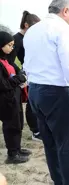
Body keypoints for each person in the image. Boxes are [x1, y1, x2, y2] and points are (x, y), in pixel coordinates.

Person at [23, 0, 69, 184]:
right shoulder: (62, 30)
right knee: (67, 146)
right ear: (65, 11)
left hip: (35, 91)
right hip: (57, 93)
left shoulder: (32, 30)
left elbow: (27, 64)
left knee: (51, 144)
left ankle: (59, 181)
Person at [7, 10, 41, 141]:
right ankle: (35, 131)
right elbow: (8, 61)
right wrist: (21, 73)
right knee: (31, 103)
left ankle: (38, 128)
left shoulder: (29, 38)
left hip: (34, 73)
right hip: (25, 75)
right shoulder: (16, 39)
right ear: (26, 25)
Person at [0, 31, 31, 164]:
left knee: (18, 122)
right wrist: (20, 79)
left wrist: (21, 76)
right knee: (11, 125)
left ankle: (17, 149)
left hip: (15, 98)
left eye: (13, 45)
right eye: (9, 45)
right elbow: (4, 84)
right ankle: (12, 154)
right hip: (5, 100)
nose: (11, 48)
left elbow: (18, 71)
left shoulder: (6, 59)